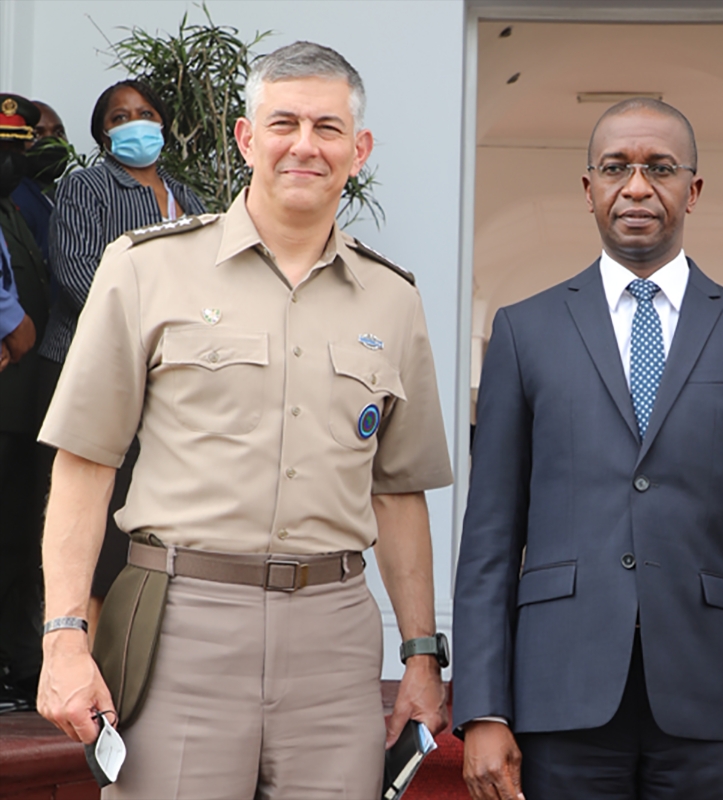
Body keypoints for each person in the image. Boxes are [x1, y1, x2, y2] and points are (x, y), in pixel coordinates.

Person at [36, 41, 453, 798]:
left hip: (333, 638)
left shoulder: (393, 300)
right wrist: (63, 639)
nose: (305, 144)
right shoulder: (144, 268)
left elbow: (399, 492)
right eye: (283, 122)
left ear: (358, 150)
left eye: (328, 128)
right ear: (245, 138)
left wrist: (421, 654)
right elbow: (85, 462)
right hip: (180, 631)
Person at [453, 98, 723, 800]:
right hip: (556, 697)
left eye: (661, 168)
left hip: (711, 703)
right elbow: (490, 540)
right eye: (616, 168)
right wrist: (482, 706)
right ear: (587, 188)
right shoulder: (524, 332)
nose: (638, 186)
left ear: (694, 189)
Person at [39, 80, 205, 641]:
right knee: (90, 518)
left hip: (165, 382)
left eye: (146, 113)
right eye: (119, 116)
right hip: (87, 369)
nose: (135, 123)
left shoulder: (191, 199)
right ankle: (70, 653)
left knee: (143, 515)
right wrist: (151, 332)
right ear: (102, 132)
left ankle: (126, 651)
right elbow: (76, 273)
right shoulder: (86, 188)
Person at [0, 93, 52, 714]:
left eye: (16, 148)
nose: (11, 159)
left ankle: (16, 659)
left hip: (19, 407)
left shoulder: (16, 209)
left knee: (16, 537)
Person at [12, 100, 67, 257]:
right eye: (36, 134)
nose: (51, 142)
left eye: (58, 133)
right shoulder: (15, 196)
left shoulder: (65, 194)